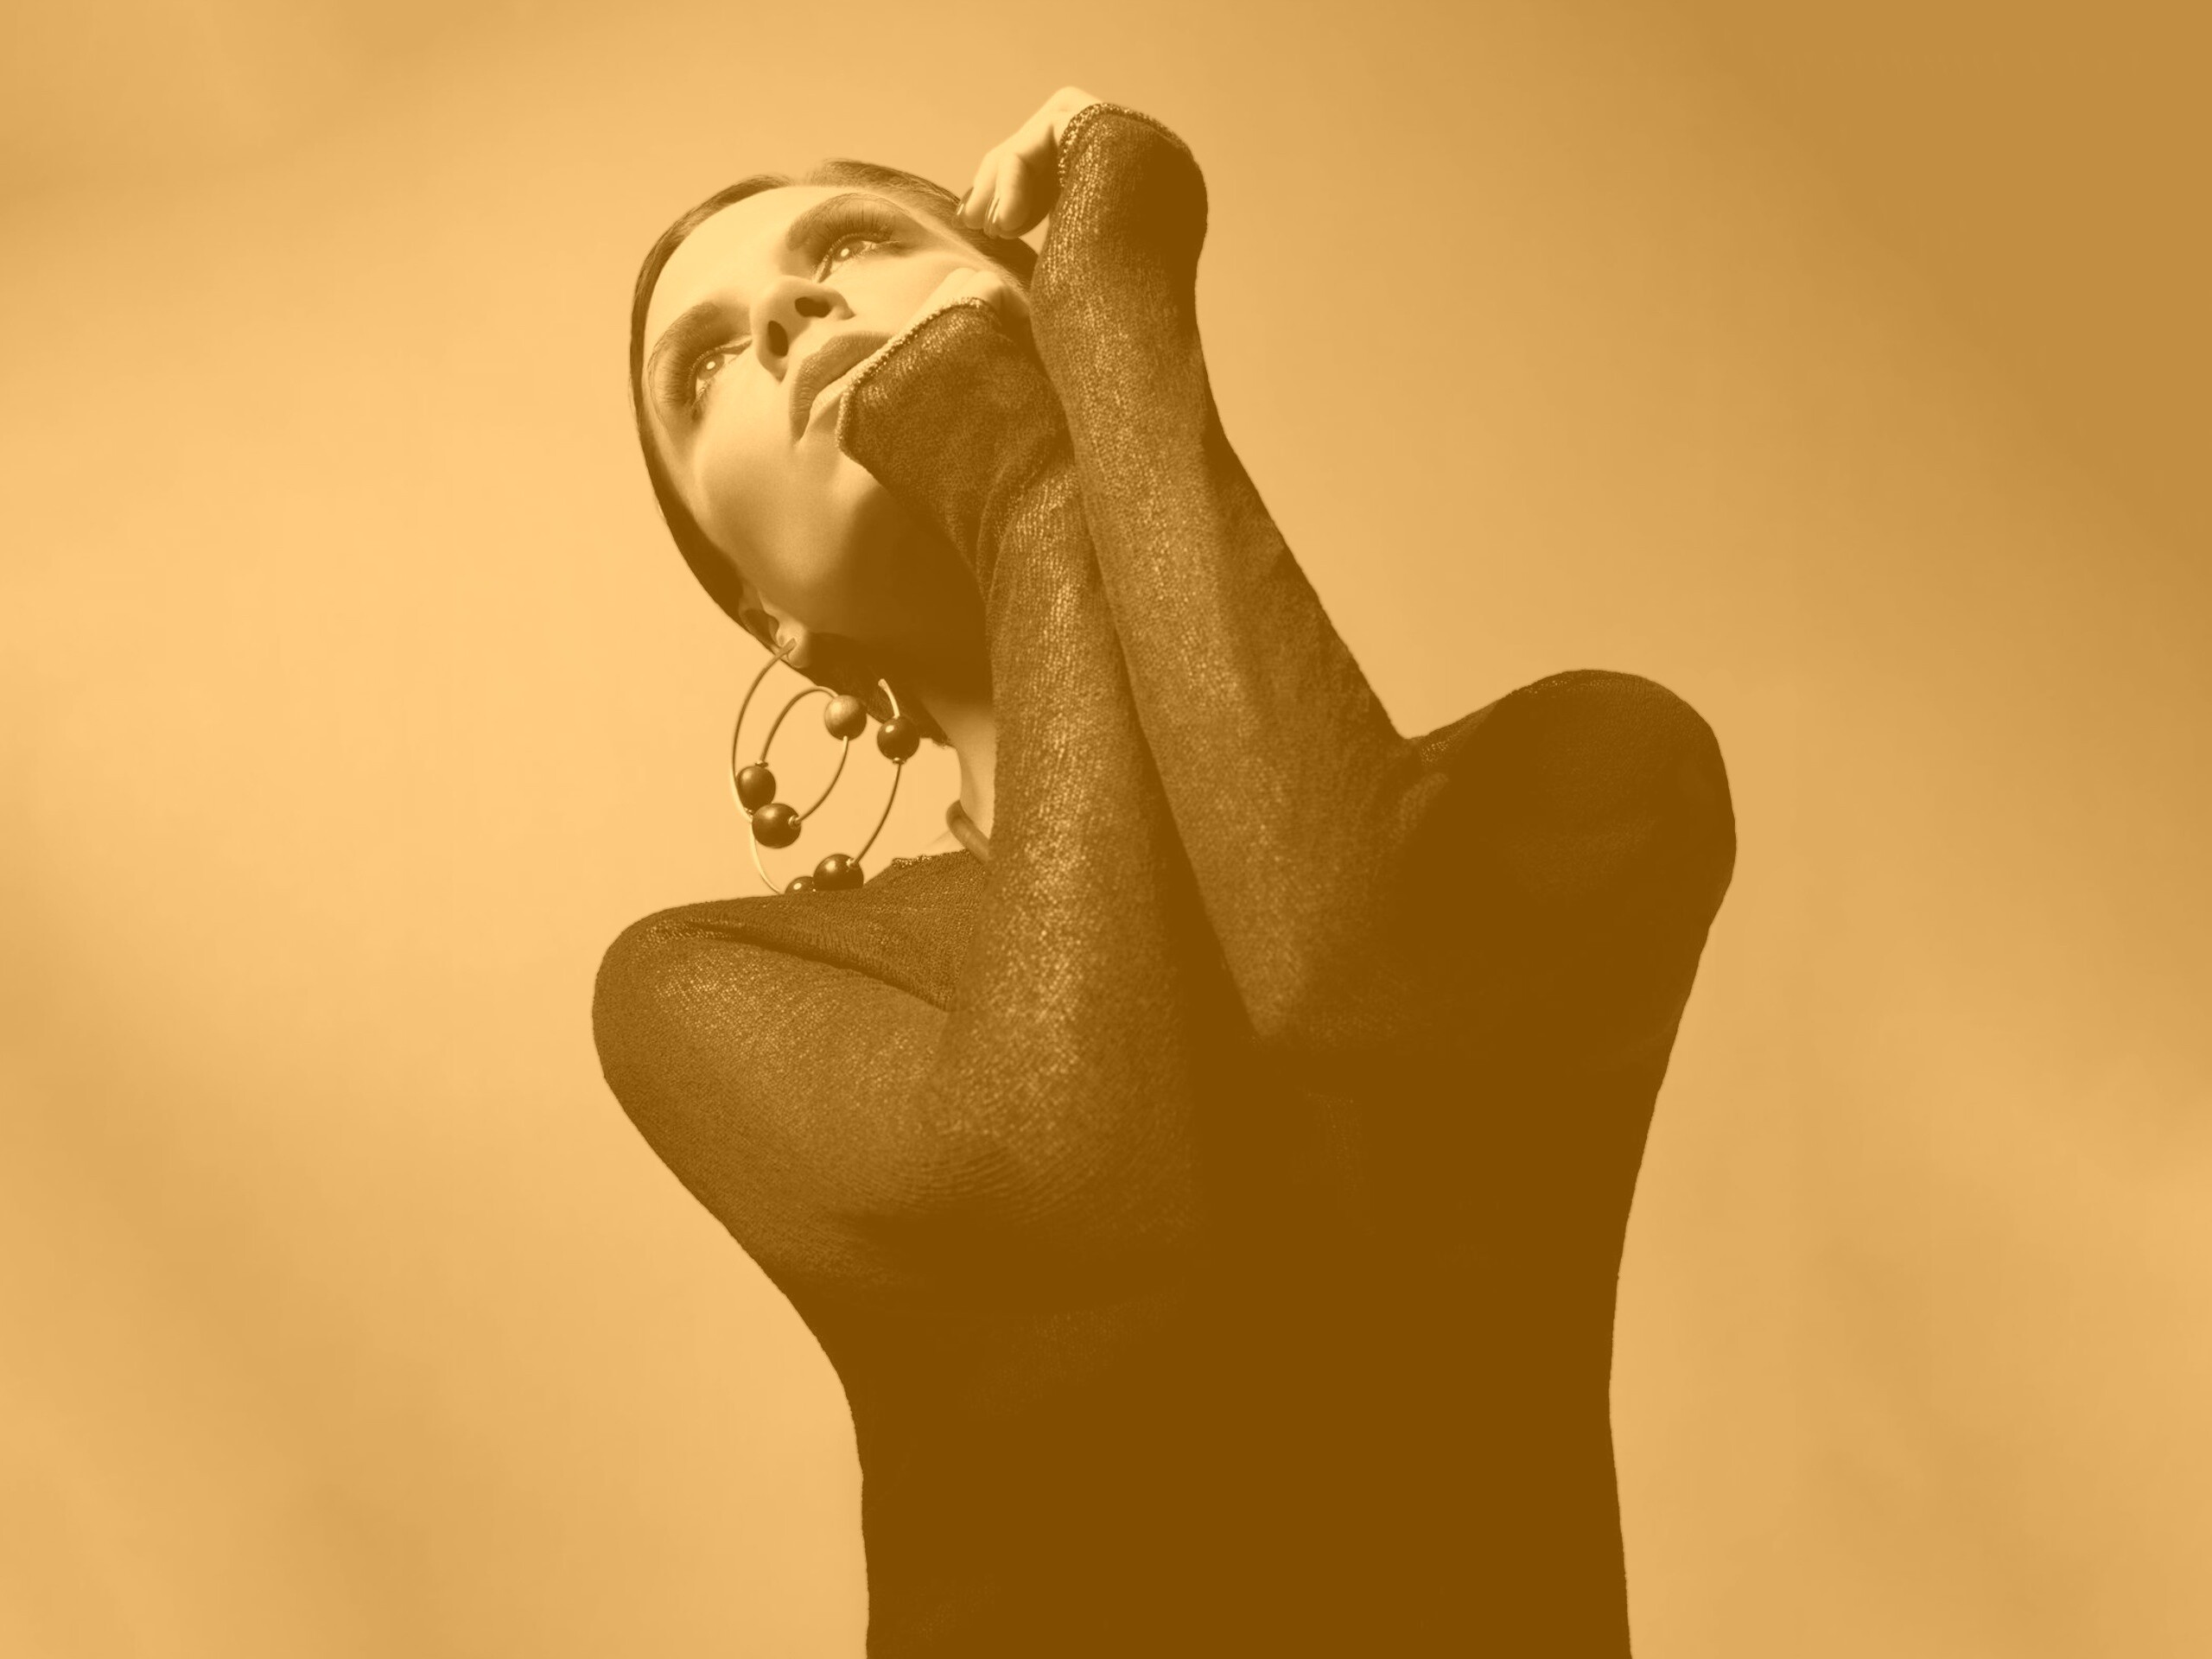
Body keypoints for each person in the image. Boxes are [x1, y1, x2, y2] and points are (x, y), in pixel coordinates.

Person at [594, 86, 1737, 1657]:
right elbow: (1083, 1165)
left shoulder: (1583, 777)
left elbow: (1349, 968)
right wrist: (1027, 484)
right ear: (776, 623)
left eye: (852, 245)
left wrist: (1114, 300)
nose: (789, 316)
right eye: (707, 364)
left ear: (1049, 302)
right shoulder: (720, 985)